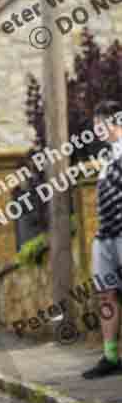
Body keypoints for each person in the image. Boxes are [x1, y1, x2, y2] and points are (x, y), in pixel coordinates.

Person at [83, 100, 122, 379]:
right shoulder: (108, 156)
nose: (97, 130)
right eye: (96, 125)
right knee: (106, 294)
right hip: (105, 235)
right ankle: (110, 356)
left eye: (101, 124)